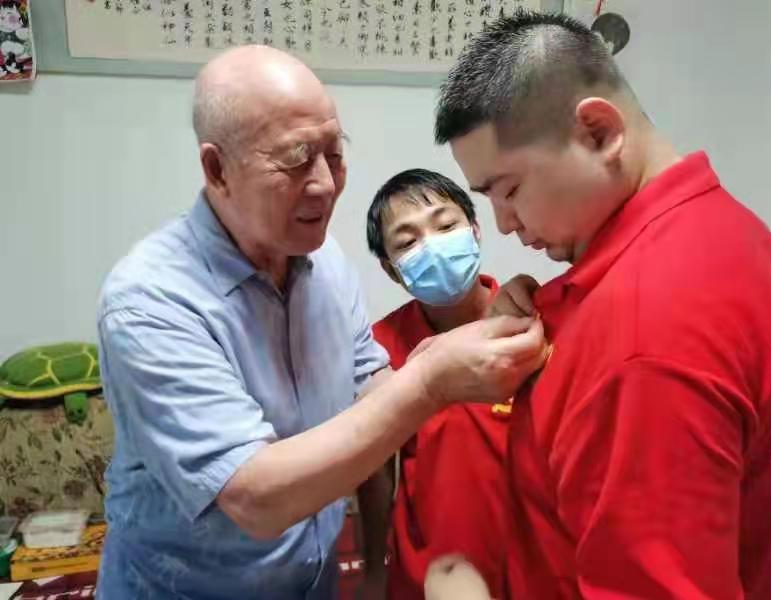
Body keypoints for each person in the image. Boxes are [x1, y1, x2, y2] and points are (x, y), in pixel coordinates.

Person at [95, 45, 548, 599]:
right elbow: (254, 498)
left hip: (314, 583)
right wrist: (431, 381)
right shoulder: (149, 301)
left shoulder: (324, 261)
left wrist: (467, 340)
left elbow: (369, 385)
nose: (326, 185)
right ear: (217, 169)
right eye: (295, 159)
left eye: (334, 154)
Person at [433, 10, 771, 600]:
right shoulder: (727, 227)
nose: (504, 224)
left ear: (599, 132)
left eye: (510, 190)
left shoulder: (642, 334)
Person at [358, 169, 510, 600]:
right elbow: (374, 472)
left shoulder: (530, 326)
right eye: (407, 242)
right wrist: (374, 570)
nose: (433, 246)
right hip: (426, 579)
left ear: (475, 231)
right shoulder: (379, 349)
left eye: (445, 226)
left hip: (533, 573)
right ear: (391, 270)